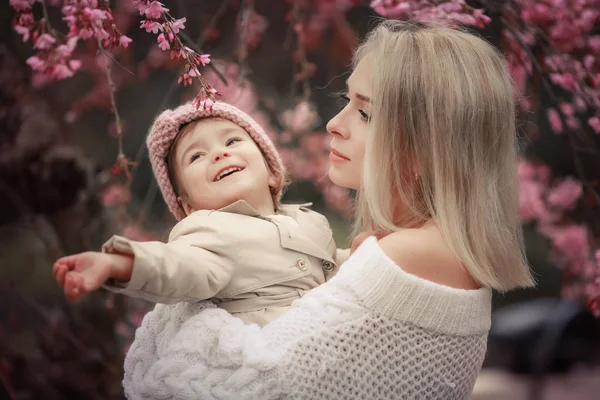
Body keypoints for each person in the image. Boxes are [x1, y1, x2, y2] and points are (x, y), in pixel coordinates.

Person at [118, 20, 536, 399]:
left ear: (425, 148)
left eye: (365, 112)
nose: (335, 123)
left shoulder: (408, 255)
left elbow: (229, 386)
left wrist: (183, 312)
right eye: (345, 99)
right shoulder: (423, 250)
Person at [53, 101, 347, 327]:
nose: (219, 154)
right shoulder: (209, 233)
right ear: (189, 207)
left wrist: (368, 250)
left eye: (232, 141)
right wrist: (117, 263)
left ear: (272, 171)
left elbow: (335, 264)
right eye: (196, 156)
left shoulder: (310, 221)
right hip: (276, 356)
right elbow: (175, 266)